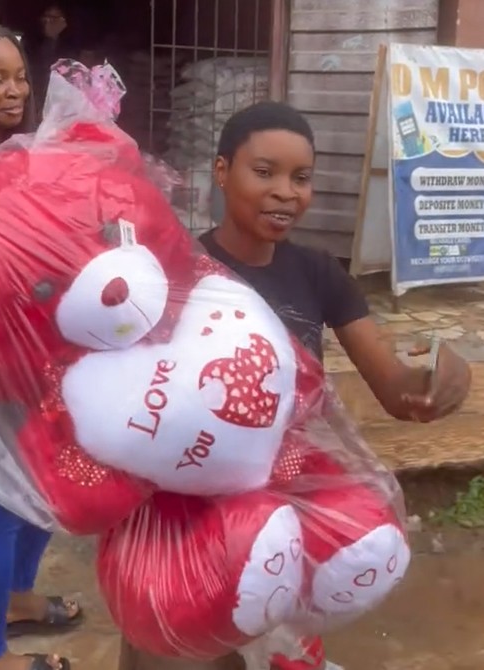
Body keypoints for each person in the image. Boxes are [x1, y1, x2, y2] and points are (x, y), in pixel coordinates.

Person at [117, 101, 471, 670]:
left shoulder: (318, 273)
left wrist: (440, 375)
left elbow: (397, 392)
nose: (286, 192)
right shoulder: (177, 273)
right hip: (186, 518)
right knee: (178, 651)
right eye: (265, 172)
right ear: (222, 171)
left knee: (281, 650)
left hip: (287, 512)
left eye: (301, 178)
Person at [0, 23, 81, 670]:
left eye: (20, 76)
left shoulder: (26, 156)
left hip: (36, 357)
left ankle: (16, 599)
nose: (14, 89)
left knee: (40, 489)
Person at [24, 3, 79, 113]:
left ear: (64, 22)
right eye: (45, 17)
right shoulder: (30, 41)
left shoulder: (72, 45)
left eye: (53, 18)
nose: (48, 21)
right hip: (35, 97)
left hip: (61, 102)